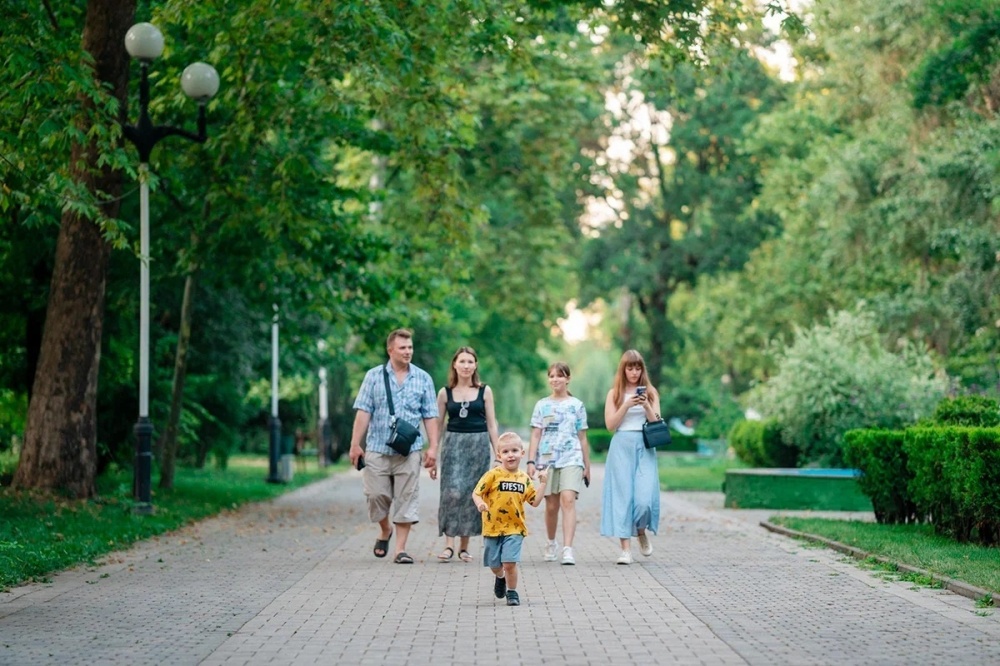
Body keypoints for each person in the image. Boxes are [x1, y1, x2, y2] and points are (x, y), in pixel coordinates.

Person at [348, 328, 439, 564]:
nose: (408, 351)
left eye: (410, 347)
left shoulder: (423, 378)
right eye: (402, 348)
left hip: (409, 450)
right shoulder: (373, 376)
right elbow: (363, 411)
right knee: (376, 495)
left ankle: (400, 549)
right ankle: (385, 529)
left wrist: (433, 447)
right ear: (390, 350)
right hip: (377, 447)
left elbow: (430, 416)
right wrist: (355, 444)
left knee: (406, 497)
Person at [434, 347, 500, 563]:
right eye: (462, 361)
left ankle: (464, 546)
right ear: (454, 364)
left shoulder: (484, 391)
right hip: (453, 444)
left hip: (478, 445)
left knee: (472, 494)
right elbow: (437, 425)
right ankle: (448, 544)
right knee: (451, 493)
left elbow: (492, 423)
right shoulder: (445, 392)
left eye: (470, 362)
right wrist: (432, 452)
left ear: (475, 365)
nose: (466, 365)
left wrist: (498, 451)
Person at [600, 349, 662, 565]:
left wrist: (645, 405)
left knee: (644, 500)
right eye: (630, 368)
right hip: (621, 446)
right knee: (622, 498)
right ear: (623, 369)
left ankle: (641, 530)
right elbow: (610, 425)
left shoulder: (651, 392)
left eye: (638, 368)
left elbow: (656, 423)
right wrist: (626, 404)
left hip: (645, 446)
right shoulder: (614, 394)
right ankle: (625, 549)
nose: (634, 372)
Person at [472, 431, 547, 606]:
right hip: (492, 527)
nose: (510, 455)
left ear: (522, 453)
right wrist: (480, 503)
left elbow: (534, 502)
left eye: (514, 450)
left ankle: (512, 592)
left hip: (515, 528)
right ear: (499, 455)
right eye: (506, 452)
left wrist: (543, 483)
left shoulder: (524, 479)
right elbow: (476, 493)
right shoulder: (493, 475)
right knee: (495, 564)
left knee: (509, 563)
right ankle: (500, 577)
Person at [526, 362, 590, 566]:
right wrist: (530, 461)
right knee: (551, 505)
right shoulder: (541, 405)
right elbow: (535, 435)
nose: (555, 379)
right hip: (547, 460)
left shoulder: (577, 405)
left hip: (572, 458)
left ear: (568, 379)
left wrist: (587, 465)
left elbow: (582, 438)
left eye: (560, 376)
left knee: (568, 500)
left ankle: (568, 549)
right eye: (552, 376)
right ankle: (551, 542)